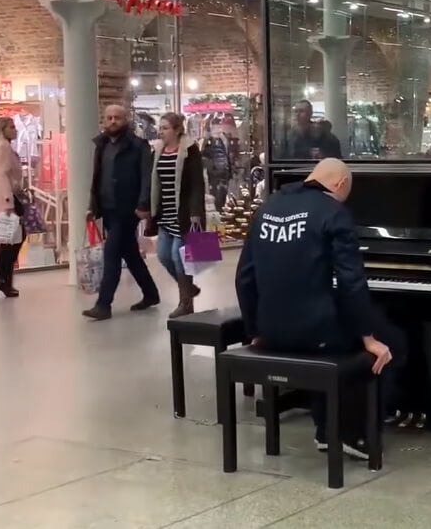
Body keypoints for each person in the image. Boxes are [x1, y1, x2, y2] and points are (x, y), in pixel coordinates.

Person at [235, 158, 403, 460]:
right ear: (339, 185)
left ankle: (326, 429)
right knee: (390, 341)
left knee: (331, 326)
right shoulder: (333, 212)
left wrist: (256, 331)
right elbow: (352, 283)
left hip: (272, 330)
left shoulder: (268, 208)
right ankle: (355, 435)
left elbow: (244, 279)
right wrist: (368, 337)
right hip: (313, 334)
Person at [83, 104, 160, 321]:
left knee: (112, 254)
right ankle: (151, 294)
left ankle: (103, 304)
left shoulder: (138, 146)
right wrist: (92, 206)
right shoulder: (102, 145)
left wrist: (143, 204)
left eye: (117, 117)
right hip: (107, 208)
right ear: (104, 121)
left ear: (125, 120)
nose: (113, 121)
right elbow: (97, 178)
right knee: (130, 253)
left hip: (128, 209)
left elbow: (147, 178)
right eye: (109, 118)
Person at [148, 112, 206, 318]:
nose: (161, 131)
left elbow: (197, 183)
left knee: (178, 256)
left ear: (177, 130)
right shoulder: (158, 150)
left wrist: (196, 212)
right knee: (163, 255)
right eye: (160, 128)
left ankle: (185, 303)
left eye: (165, 128)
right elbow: (154, 181)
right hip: (165, 213)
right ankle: (189, 288)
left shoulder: (190, 150)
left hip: (185, 214)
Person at [0, 116, 24, 298]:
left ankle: (4, 281)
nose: (15, 130)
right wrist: (9, 200)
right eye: (11, 127)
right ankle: (2, 280)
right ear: (3, 129)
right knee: (10, 241)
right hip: (5, 198)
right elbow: (3, 174)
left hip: (2, 197)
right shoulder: (3, 147)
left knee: (8, 241)